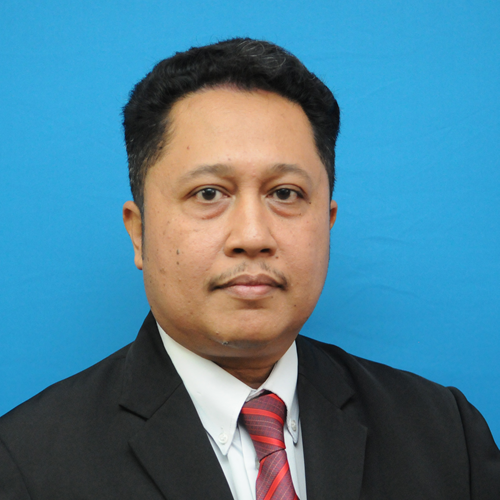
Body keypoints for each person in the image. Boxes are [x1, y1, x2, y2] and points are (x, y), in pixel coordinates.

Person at [0, 37, 499, 500]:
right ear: (139, 232)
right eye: (208, 194)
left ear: (327, 223)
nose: (253, 236)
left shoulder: (446, 434)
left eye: (285, 193)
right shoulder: (25, 463)